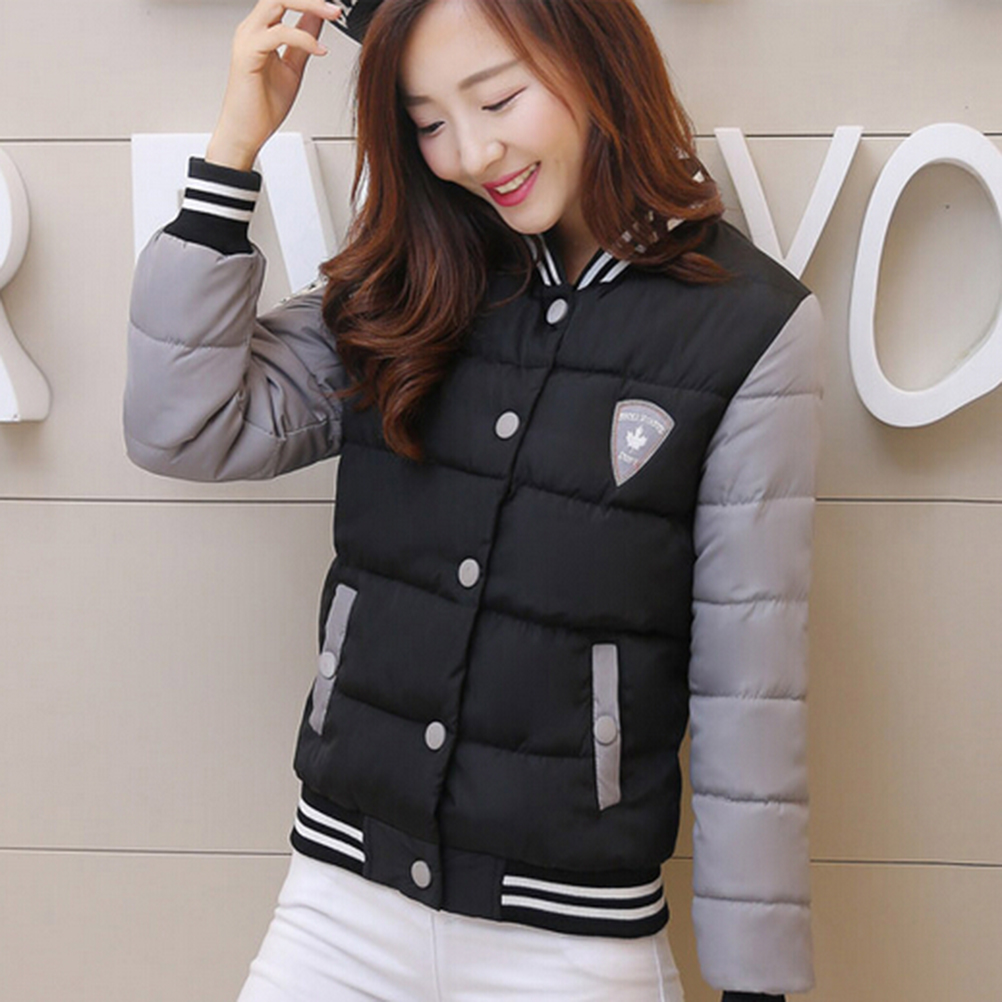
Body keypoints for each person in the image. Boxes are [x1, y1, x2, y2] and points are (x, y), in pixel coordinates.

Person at [124, 1, 823, 999]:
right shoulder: (410, 275)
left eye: (497, 100)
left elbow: (750, 685)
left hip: (574, 944)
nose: (472, 152)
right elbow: (181, 427)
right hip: (339, 908)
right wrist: (234, 148)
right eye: (429, 122)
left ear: (596, 60)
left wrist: (756, 985)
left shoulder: (751, 326)